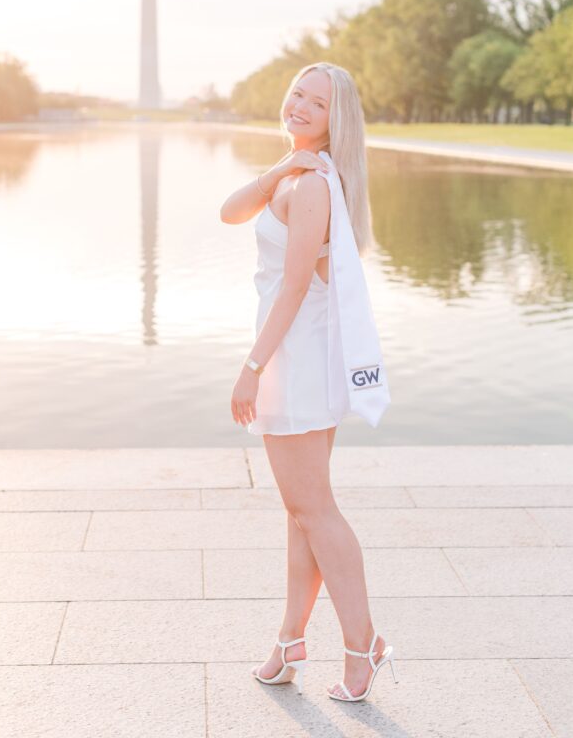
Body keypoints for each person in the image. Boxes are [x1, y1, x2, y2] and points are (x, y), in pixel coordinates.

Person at [219, 62, 398, 703]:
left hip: (292, 364)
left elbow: (294, 288)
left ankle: (365, 648)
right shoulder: (296, 175)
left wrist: (252, 368)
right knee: (301, 513)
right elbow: (229, 211)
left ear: (334, 121)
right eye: (297, 93)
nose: (299, 105)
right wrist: (279, 168)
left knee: (314, 511)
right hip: (302, 361)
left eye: (316, 104)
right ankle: (291, 642)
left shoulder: (314, 186)